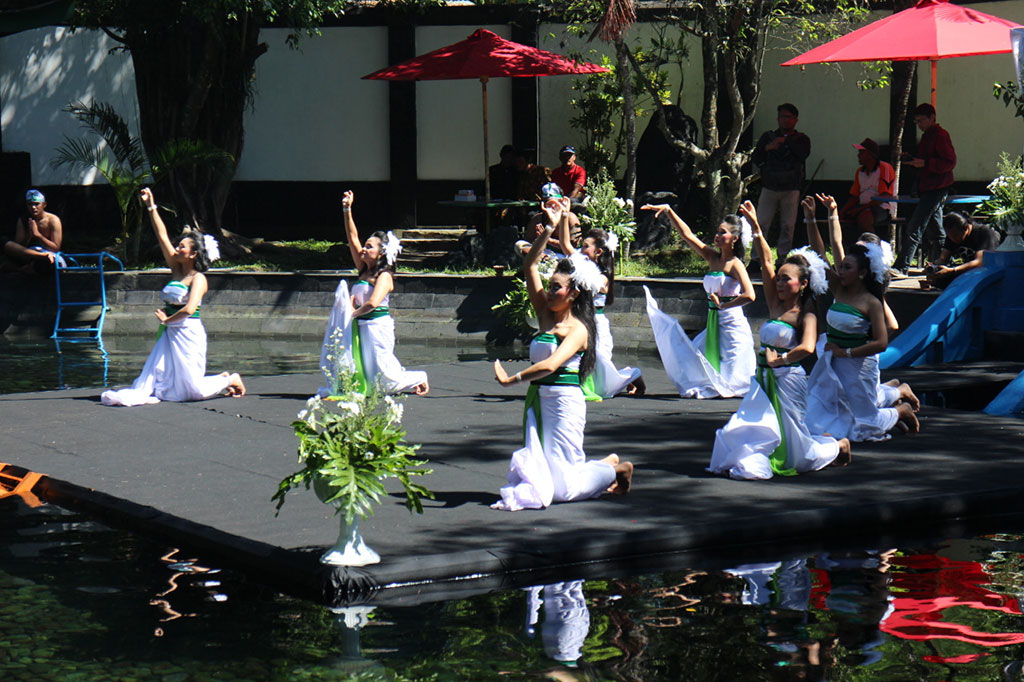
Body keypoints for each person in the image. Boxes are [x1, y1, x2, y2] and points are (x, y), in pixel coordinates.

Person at [491, 201, 633, 511]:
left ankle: (614, 468)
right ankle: (605, 465)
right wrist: (551, 229)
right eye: (551, 285)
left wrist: (511, 379)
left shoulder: (579, 329)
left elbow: (553, 364)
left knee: (564, 490)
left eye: (556, 287)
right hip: (541, 400)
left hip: (565, 403)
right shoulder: (544, 314)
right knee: (549, 483)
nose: (550, 291)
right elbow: (530, 265)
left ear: (574, 293)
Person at [708, 200, 851, 480]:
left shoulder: (806, 313)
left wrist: (782, 359)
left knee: (797, 450)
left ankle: (835, 445)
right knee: (749, 426)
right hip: (762, 377)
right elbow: (767, 262)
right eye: (780, 279)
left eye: (787, 280)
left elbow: (808, 347)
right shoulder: (775, 303)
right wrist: (757, 228)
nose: (781, 284)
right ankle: (754, 455)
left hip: (788, 379)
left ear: (803, 284)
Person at [101, 188, 245, 406]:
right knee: (164, 387)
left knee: (192, 391)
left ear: (194, 253)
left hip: (188, 331)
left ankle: (229, 378)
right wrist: (151, 206)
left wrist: (167, 321)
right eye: (178, 245)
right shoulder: (176, 270)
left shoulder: (198, 279)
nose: (177, 248)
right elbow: (162, 235)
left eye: (183, 246)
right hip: (170, 331)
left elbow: (189, 309)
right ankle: (222, 379)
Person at [801, 195, 919, 441]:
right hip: (832, 359)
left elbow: (882, 342)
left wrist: (850, 353)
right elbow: (822, 253)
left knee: (865, 425)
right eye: (841, 267)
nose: (840, 271)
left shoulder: (872, 302)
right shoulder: (838, 289)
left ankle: (900, 409)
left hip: (859, 363)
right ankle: (891, 395)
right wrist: (812, 218)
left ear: (863, 273)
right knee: (823, 410)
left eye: (846, 268)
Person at [641, 204, 757, 398]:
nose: (717, 235)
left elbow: (750, 295)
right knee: (697, 361)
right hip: (714, 320)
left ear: (735, 239)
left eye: (723, 232)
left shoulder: (735, 264)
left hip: (732, 321)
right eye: (717, 231)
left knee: (736, 377)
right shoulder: (712, 256)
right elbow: (688, 235)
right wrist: (669, 212)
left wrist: (723, 305)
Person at [320, 190, 428, 396]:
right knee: (366, 375)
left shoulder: (384, 276)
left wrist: (351, 313)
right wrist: (347, 209)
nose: (363, 249)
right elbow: (352, 237)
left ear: (380, 253)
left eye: (369, 247)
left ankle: (419, 377)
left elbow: (373, 303)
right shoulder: (363, 269)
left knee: (384, 376)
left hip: (377, 327)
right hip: (360, 325)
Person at [557, 217, 645, 398]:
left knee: (601, 362)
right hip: (580, 322)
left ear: (598, 252)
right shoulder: (580, 264)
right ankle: (581, 386)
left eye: (586, 246)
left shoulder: (603, 276)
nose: (581, 250)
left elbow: (598, 285)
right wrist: (565, 216)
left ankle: (632, 375)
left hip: (596, 322)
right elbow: (565, 244)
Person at [892, 103, 956, 275]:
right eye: (917, 121)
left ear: (932, 118)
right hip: (930, 187)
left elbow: (950, 162)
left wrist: (925, 163)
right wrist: (913, 159)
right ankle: (943, 264)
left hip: (937, 187)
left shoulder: (940, 135)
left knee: (915, 227)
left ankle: (901, 267)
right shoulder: (929, 136)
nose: (919, 124)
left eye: (921, 120)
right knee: (936, 232)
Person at [752, 103, 811, 259]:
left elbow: (803, 155)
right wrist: (769, 147)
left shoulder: (801, 139)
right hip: (769, 187)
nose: (783, 120)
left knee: (787, 226)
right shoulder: (768, 137)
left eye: (787, 117)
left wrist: (786, 142)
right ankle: (756, 258)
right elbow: (756, 158)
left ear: (795, 120)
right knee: (761, 224)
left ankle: (782, 258)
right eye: (781, 117)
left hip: (791, 188)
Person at [923, 212, 1000, 290]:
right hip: (967, 271)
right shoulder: (951, 236)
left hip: (987, 271)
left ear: (966, 228)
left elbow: (979, 262)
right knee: (940, 279)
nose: (953, 239)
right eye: (949, 236)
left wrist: (953, 270)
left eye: (955, 235)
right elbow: (943, 259)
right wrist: (933, 266)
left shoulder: (983, 232)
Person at [839, 138, 895, 237]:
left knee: (864, 218)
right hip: (863, 207)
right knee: (844, 220)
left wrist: (860, 209)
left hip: (882, 208)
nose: (858, 155)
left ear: (870, 154)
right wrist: (841, 213)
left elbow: (884, 197)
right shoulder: (860, 171)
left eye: (861, 152)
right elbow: (855, 196)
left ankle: (873, 248)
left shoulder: (885, 168)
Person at [2, 189, 64, 274]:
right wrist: (29, 236)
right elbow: (18, 247)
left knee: (43, 266)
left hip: (49, 255)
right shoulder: (23, 220)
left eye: (36, 204)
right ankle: (38, 258)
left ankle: (27, 268)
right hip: (31, 255)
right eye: (30, 204)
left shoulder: (53, 220)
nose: (33, 207)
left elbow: (55, 248)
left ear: (44, 204)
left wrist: (38, 235)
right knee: (4, 242)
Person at [519, 183, 581, 256]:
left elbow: (574, 245)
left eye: (556, 202)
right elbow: (528, 242)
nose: (553, 206)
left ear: (561, 202)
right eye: (549, 203)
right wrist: (540, 242)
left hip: (567, 257)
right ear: (543, 205)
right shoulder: (537, 219)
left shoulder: (570, 218)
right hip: (545, 256)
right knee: (519, 245)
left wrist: (548, 239)